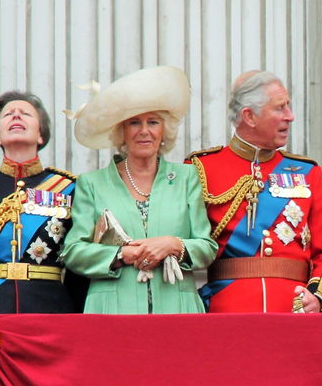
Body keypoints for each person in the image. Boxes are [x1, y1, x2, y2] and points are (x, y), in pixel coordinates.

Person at [62, 66, 217, 313]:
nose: (144, 131)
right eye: (134, 122)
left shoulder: (187, 177)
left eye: (153, 122)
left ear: (164, 131)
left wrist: (173, 244)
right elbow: (73, 251)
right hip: (112, 309)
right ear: (121, 132)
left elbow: (207, 248)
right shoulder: (92, 183)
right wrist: (122, 255)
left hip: (177, 308)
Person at [189, 71, 322, 312]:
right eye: (280, 108)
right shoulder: (201, 169)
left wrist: (317, 297)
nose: (290, 117)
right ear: (249, 116)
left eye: (289, 107)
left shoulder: (307, 172)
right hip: (227, 310)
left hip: (293, 309)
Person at [0, 91, 86, 314]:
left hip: (51, 304)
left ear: (41, 135)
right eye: (8, 114)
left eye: (25, 114)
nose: (16, 117)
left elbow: (78, 267)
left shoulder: (71, 188)